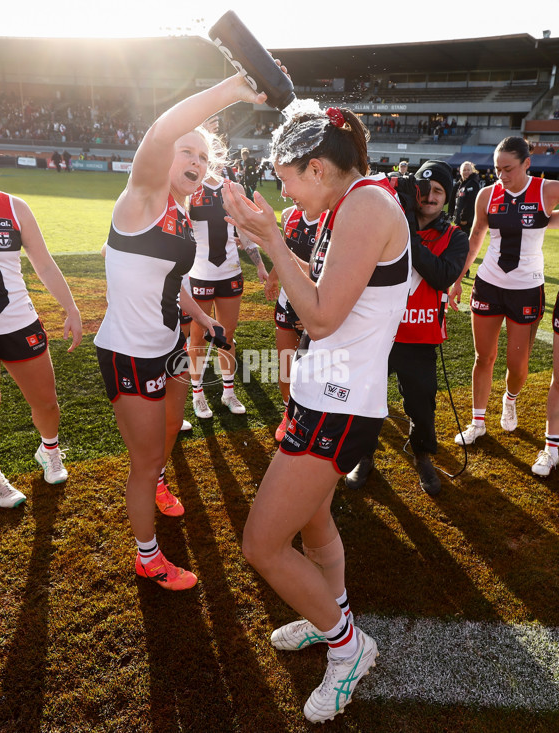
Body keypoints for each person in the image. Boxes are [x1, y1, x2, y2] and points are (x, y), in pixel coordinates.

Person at [222, 103, 411, 723]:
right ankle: (331, 616)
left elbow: (322, 317)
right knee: (313, 526)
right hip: (324, 391)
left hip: (342, 403)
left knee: (261, 544)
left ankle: (347, 647)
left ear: (320, 168)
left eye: (287, 178)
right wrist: (268, 240)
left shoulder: (368, 205)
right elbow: (328, 296)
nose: (284, 190)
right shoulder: (348, 203)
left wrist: (273, 238)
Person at [93, 74, 267, 592]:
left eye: (203, 157)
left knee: (171, 431)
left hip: (169, 346)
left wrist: (206, 319)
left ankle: (160, 482)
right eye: (186, 151)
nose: (197, 162)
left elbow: (176, 285)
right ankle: (148, 557)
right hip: (129, 353)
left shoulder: (178, 212)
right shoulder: (141, 199)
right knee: (143, 460)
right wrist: (232, 90)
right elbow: (160, 130)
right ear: (165, 157)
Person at [0, 123, 82, 508]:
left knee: (47, 403)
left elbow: (43, 264)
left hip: (20, 324)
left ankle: (50, 451)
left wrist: (72, 308)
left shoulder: (14, 206)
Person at [346, 161, 468, 496]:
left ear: (448, 198)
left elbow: (443, 276)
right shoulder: (387, 224)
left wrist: (406, 230)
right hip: (379, 332)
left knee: (421, 404)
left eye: (439, 191)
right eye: (424, 189)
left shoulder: (455, 236)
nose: (429, 197)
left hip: (420, 338)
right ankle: (363, 455)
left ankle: (423, 456)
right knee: (366, 398)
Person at [450, 137, 559, 445]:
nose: (502, 176)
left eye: (508, 168)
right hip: (489, 284)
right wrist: (458, 279)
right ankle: (478, 422)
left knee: (517, 365)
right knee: (483, 357)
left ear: (527, 163)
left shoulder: (546, 189)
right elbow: (475, 239)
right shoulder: (486, 195)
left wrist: (547, 221)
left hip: (526, 288)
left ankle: (510, 399)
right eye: (498, 169)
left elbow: (541, 217)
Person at [187, 150, 268, 420]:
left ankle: (228, 392)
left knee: (226, 336)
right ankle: (197, 395)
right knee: (197, 338)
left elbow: (243, 231)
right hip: (199, 272)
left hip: (230, 272)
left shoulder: (233, 188)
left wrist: (258, 264)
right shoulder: (190, 188)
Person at [263, 203, 320, 441]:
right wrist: (273, 279)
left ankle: (315, 416)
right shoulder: (288, 215)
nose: (285, 192)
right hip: (287, 300)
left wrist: (311, 313)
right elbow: (283, 252)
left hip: (318, 303)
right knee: (286, 363)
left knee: (318, 368)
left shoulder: (335, 217)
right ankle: (289, 413)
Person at [448, 161, 481, 236]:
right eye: (464, 170)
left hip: (465, 221)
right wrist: (451, 215)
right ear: (460, 172)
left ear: (472, 171)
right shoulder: (459, 184)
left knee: (463, 241)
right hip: (457, 219)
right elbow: (453, 200)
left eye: (468, 170)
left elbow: (471, 203)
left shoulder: (473, 183)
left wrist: (464, 218)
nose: (466, 172)